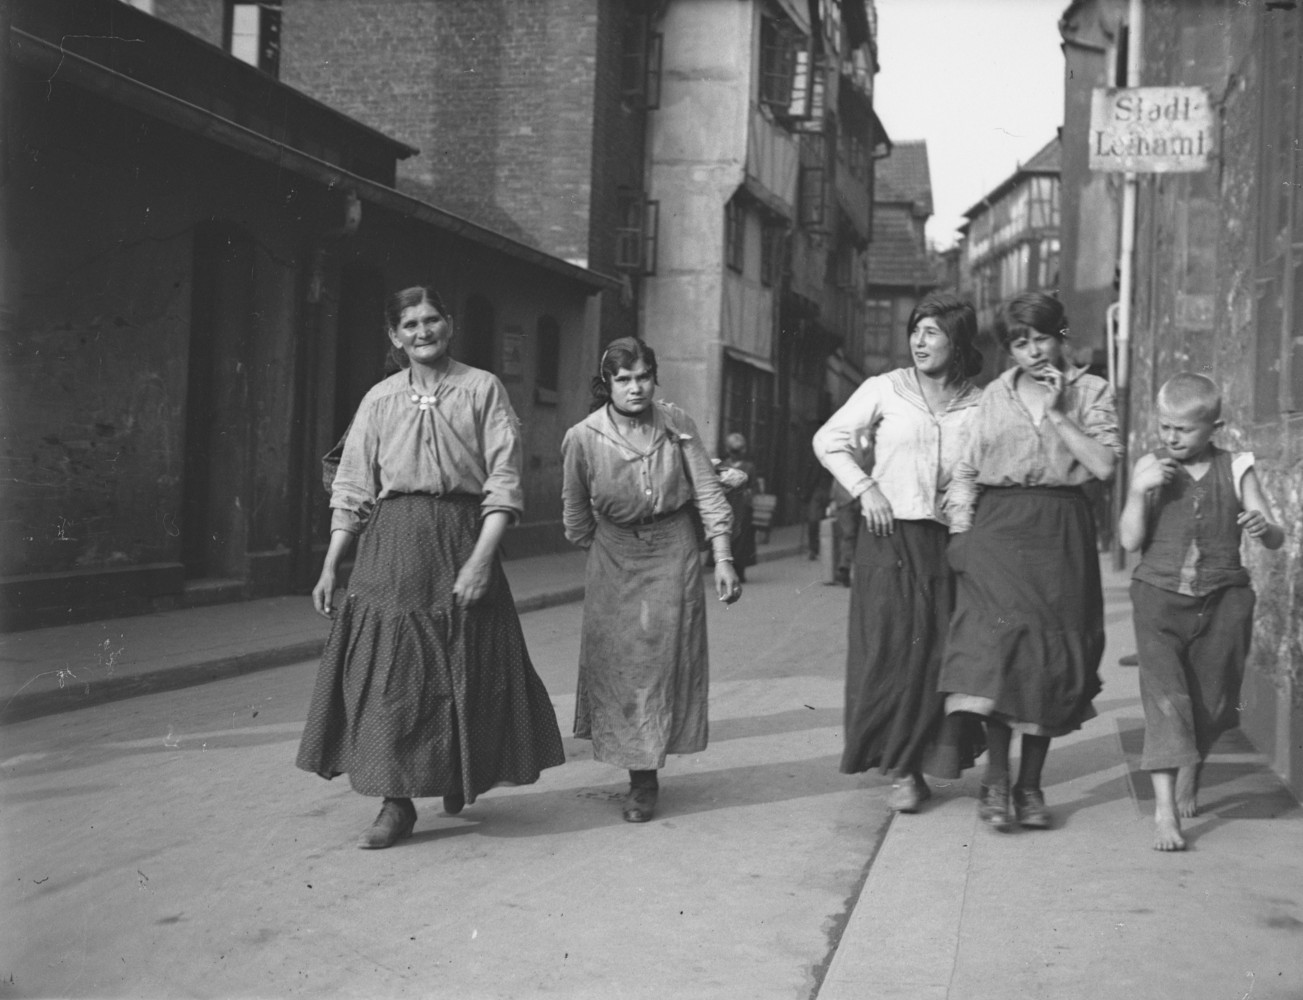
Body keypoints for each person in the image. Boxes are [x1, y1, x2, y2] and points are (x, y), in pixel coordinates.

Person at [296, 285, 565, 849]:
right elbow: (353, 485)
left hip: (463, 536)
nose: (423, 332)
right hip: (391, 545)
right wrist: (331, 565)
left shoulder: (482, 388)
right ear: (395, 337)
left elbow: (504, 481)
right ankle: (395, 804)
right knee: (389, 673)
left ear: (450, 324)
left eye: (431, 320)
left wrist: (481, 560)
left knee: (466, 667)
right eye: (410, 325)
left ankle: (456, 772)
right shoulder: (379, 399)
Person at [940, 292, 1121, 833]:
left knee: (1048, 661)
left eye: (1042, 338)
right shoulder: (993, 395)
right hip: (997, 531)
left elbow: (1105, 466)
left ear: (1060, 336)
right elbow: (965, 470)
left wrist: (1060, 414)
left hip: (1061, 532)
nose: (1033, 351)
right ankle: (997, 781)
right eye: (1020, 343)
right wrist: (961, 535)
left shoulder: (1092, 391)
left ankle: (1031, 785)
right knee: (1001, 653)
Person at [813, 292, 985, 813]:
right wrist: (865, 488)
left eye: (932, 332)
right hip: (886, 536)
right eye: (915, 330)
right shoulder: (884, 389)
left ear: (958, 342)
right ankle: (903, 771)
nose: (919, 341)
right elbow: (828, 440)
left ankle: (931, 759)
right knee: (890, 651)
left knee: (938, 653)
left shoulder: (980, 404)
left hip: (948, 541)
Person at [561, 337, 741, 823]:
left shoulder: (676, 424)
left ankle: (645, 778)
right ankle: (636, 768)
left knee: (661, 661)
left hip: (673, 546)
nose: (635, 388)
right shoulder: (583, 437)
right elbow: (575, 512)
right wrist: (607, 546)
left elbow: (707, 490)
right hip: (614, 550)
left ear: (654, 378)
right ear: (607, 384)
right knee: (621, 661)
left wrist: (723, 557)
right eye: (623, 379)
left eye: (643, 377)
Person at [1117, 373, 1283, 851]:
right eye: (1165, 427)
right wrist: (1138, 491)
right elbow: (1129, 540)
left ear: (1215, 428)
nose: (1171, 438)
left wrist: (1262, 526)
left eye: (1184, 430)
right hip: (1158, 598)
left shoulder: (1236, 467)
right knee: (1166, 701)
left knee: (1212, 703)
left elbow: (1275, 536)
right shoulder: (1151, 466)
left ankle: (1192, 766)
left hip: (1224, 600)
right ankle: (1164, 812)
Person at [719, 432, 758, 582]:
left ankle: (740, 570)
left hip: (743, 508)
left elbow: (754, 487)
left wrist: (747, 492)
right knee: (727, 538)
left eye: (739, 450)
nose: (736, 454)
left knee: (742, 539)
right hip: (726, 507)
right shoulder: (723, 466)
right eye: (733, 451)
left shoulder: (749, 467)